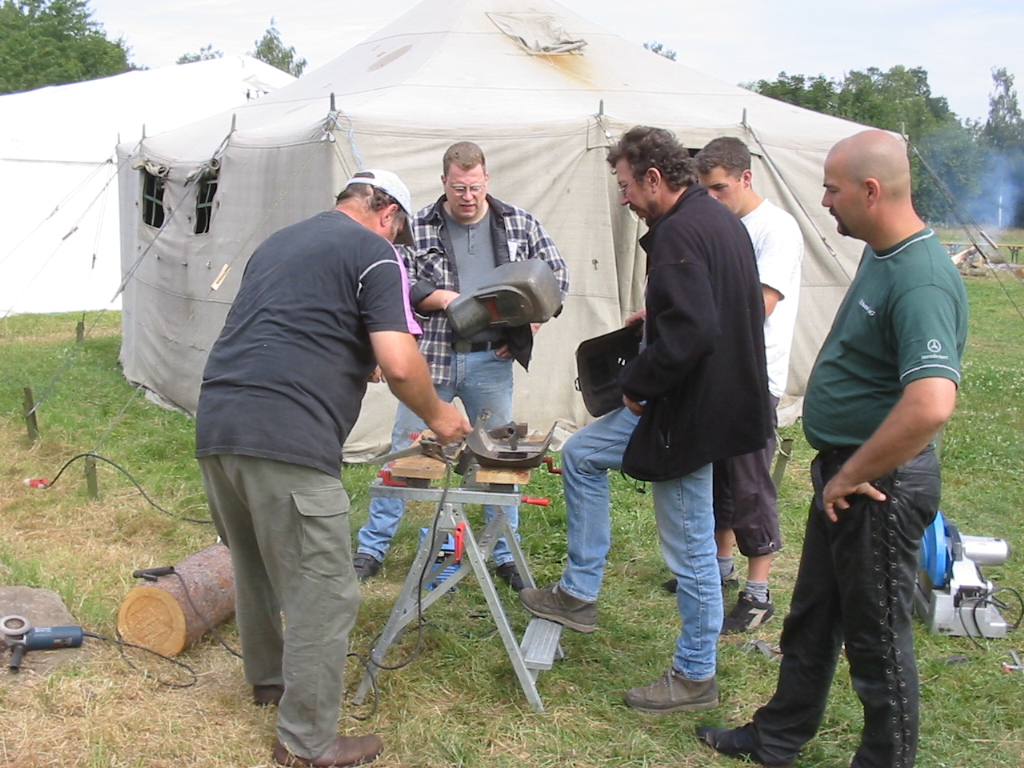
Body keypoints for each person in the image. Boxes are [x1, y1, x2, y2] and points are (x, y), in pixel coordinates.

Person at [697, 130, 968, 768]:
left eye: (832, 188)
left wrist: (853, 475)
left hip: (879, 482)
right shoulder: (882, 250)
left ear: (871, 191)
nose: (822, 200)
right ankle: (777, 737)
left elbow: (931, 403)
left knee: (875, 638)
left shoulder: (922, 277)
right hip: (847, 473)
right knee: (814, 614)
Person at [195, 170, 471, 768]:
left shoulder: (280, 242)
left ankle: (269, 680)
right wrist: (441, 415)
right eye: (397, 227)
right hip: (286, 434)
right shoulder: (377, 252)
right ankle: (306, 741)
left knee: (256, 564)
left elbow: (288, 326)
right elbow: (400, 364)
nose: (397, 237)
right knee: (327, 592)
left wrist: (350, 354)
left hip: (219, 423)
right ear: (387, 212)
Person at [519, 126, 772, 712]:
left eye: (628, 186)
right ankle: (579, 592)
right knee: (580, 456)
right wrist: (655, 315)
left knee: (690, 549)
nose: (626, 198)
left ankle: (694, 676)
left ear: (655, 179)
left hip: (688, 415)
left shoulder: (681, 233)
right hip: (706, 400)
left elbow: (696, 332)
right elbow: (710, 309)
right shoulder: (715, 219)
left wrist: (638, 386)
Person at [354, 141, 569, 590]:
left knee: (500, 458)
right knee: (406, 452)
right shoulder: (420, 227)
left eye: (473, 187)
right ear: (443, 183)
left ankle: (504, 551)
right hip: (429, 360)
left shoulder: (519, 224)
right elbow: (398, 278)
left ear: (486, 180)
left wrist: (532, 323)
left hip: (489, 360)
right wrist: (443, 300)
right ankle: (371, 548)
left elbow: (556, 277)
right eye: (458, 188)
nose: (467, 196)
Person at [663, 136, 803, 633]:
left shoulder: (775, 230)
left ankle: (759, 591)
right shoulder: (721, 224)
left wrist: (691, 320)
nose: (712, 196)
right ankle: (720, 570)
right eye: (705, 188)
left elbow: (757, 305)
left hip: (753, 375)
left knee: (749, 485)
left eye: (720, 187)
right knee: (719, 477)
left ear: (746, 178)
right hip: (716, 373)